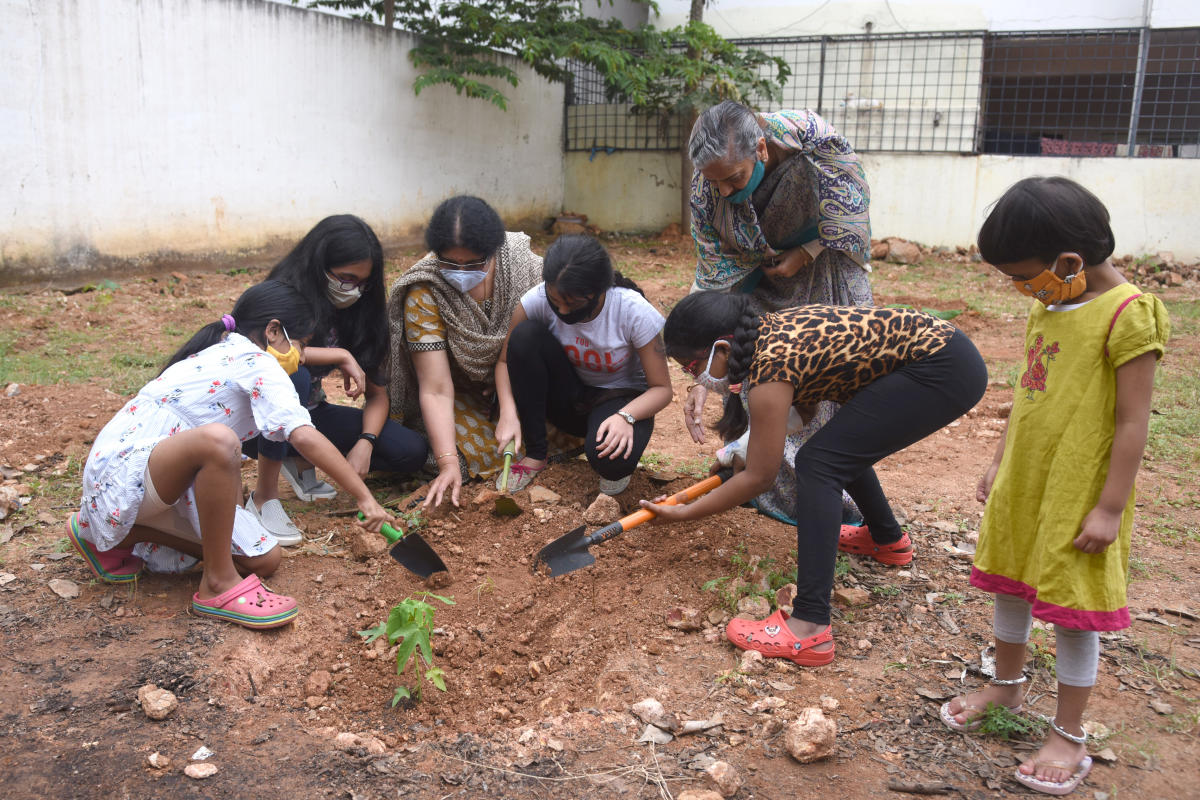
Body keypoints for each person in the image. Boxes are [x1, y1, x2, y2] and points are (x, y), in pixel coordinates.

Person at [939, 177, 1169, 796]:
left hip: (1079, 490)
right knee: (1011, 584)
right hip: (1027, 479)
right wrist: (998, 457)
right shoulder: (1051, 304)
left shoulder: (1128, 314)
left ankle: (1068, 733)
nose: (1020, 289)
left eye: (1023, 276)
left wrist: (1110, 508)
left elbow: (1132, 421)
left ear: (1068, 262)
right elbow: (1027, 392)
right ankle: (1005, 684)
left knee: (1072, 610)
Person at [643, 293, 987, 666]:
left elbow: (760, 478)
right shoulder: (767, 332)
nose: (697, 378)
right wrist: (744, 451)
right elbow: (801, 416)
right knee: (835, 449)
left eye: (693, 366)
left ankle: (809, 626)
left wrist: (686, 512)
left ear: (721, 348)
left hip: (940, 368)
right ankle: (887, 540)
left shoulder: (769, 368)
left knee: (819, 463)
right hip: (947, 353)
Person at [68, 281, 394, 629]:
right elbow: (303, 435)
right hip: (126, 471)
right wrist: (365, 498)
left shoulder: (219, 349)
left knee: (265, 559)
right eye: (300, 344)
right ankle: (217, 583)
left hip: (142, 480)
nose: (300, 356)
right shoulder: (257, 362)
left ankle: (121, 535)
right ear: (273, 331)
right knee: (220, 442)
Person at [684, 99, 876, 534]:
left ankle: (832, 501)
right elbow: (716, 278)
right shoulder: (706, 186)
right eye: (718, 185)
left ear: (762, 151)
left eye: (734, 178)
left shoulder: (817, 144)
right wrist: (705, 378)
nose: (726, 192)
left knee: (828, 382)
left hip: (828, 269)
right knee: (767, 378)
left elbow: (848, 215)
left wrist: (805, 252)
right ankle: (767, 482)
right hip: (760, 278)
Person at [244, 215, 427, 544]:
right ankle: (264, 497)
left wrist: (365, 443)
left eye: (362, 283)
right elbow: (270, 358)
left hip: (309, 412)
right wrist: (341, 354)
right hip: (255, 419)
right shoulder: (284, 297)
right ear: (319, 266)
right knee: (293, 376)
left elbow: (378, 395)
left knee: (410, 451)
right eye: (345, 278)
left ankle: (296, 454)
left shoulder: (364, 313)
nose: (354, 290)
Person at [388, 196, 578, 509]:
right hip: (460, 391)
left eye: (475, 263)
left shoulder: (522, 266)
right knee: (453, 462)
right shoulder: (425, 290)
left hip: (523, 383)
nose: (461, 272)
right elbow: (436, 388)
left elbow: (551, 341)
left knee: (574, 429)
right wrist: (448, 462)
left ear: (494, 251)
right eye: (450, 263)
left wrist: (511, 403)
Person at [497, 235, 672, 495]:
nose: (564, 312)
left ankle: (607, 454)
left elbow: (662, 389)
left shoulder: (633, 311)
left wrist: (627, 416)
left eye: (574, 303)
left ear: (600, 290)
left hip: (619, 399)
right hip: (570, 398)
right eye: (557, 302)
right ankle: (536, 454)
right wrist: (508, 413)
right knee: (525, 337)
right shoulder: (535, 300)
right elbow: (504, 361)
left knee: (612, 460)